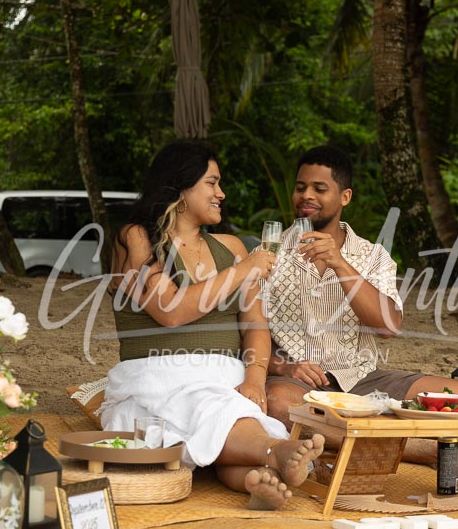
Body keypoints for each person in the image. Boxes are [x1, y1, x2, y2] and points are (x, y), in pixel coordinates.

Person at [98, 141, 324, 510]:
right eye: (212, 183)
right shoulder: (136, 238)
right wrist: (244, 270)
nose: (222, 194)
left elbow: (255, 324)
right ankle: (276, 451)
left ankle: (258, 480)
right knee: (212, 410)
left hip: (224, 376)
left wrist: (254, 379)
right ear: (180, 187)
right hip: (158, 376)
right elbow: (170, 311)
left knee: (227, 411)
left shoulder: (231, 248)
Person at [264, 144, 458, 434]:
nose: (306, 195)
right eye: (300, 187)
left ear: (345, 196)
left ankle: (357, 439)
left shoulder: (373, 256)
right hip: (297, 383)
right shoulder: (268, 255)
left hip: (362, 380)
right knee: (278, 403)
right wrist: (283, 368)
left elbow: (387, 327)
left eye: (319, 189)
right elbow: (243, 339)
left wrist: (339, 264)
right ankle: (391, 444)